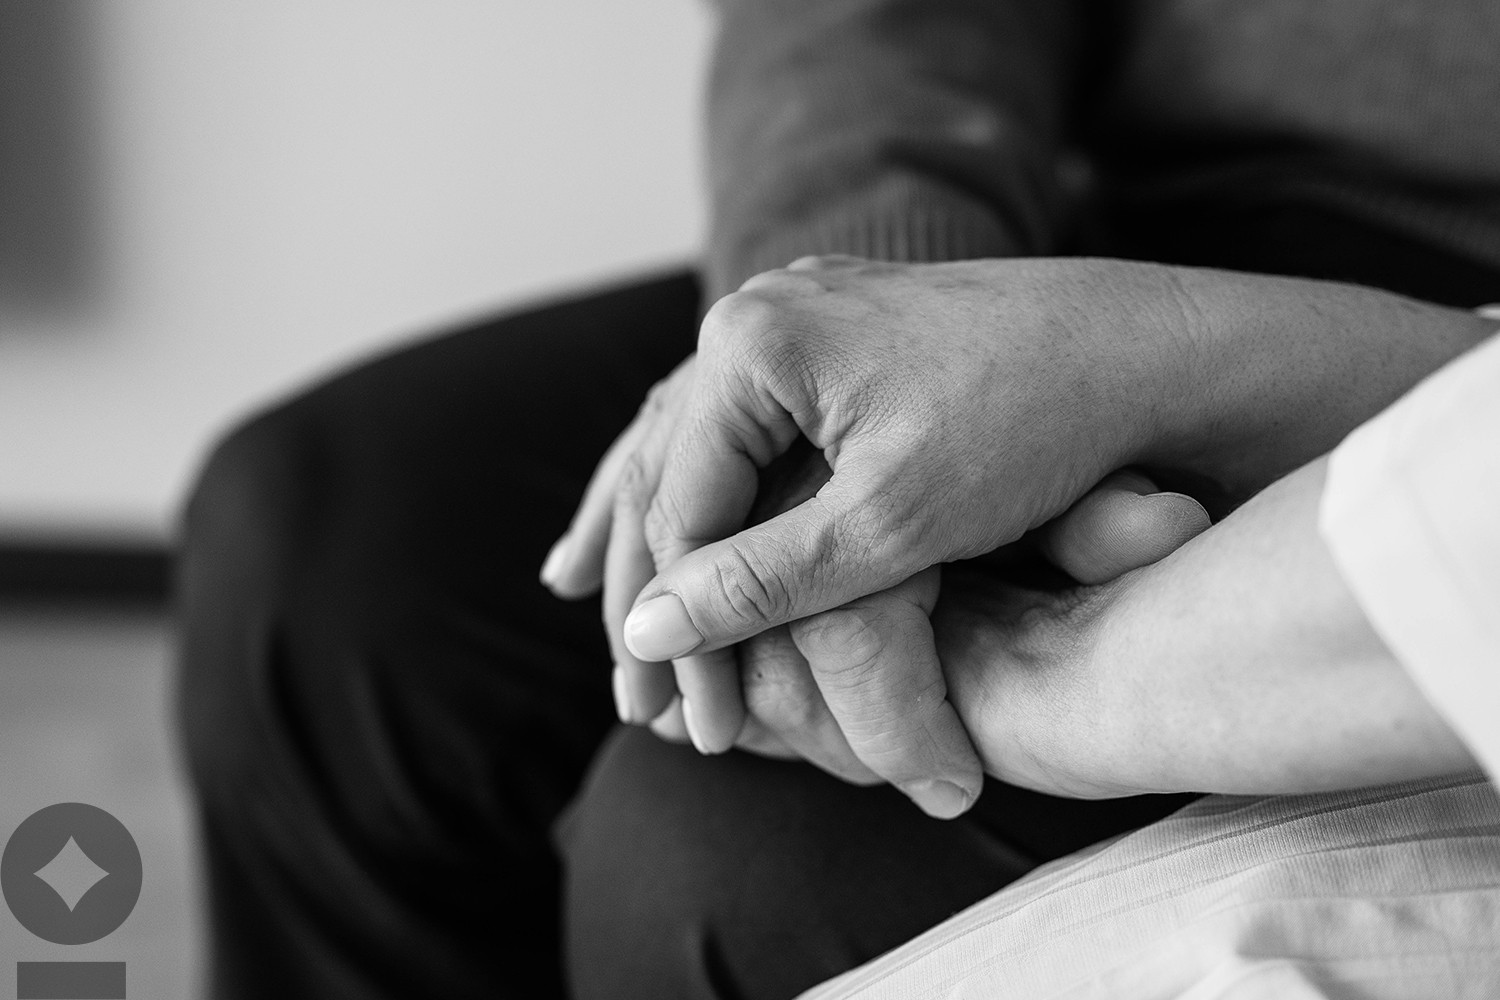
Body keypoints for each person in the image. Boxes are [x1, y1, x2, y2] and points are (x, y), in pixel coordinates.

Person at [175, 2, 1500, 998]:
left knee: (722, 850)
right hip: (1132, 211)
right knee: (330, 550)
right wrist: (874, 352)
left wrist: (1042, 633)